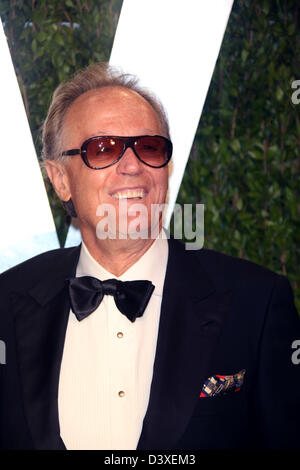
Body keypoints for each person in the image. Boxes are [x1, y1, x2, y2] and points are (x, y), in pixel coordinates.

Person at [0, 63, 299, 450]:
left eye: (149, 147)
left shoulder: (256, 302)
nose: (132, 166)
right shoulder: (7, 303)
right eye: (103, 148)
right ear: (60, 180)